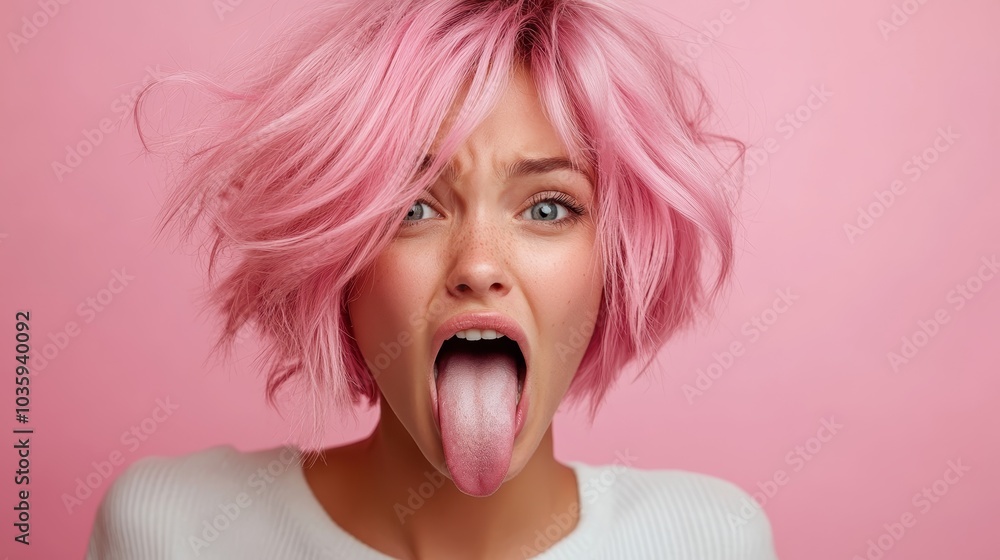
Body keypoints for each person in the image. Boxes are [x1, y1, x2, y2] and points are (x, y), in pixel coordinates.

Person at [87, 0, 778, 558]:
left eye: (547, 207)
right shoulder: (172, 532)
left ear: (616, 260)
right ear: (340, 254)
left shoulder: (707, 540)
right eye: (414, 208)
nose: (477, 265)